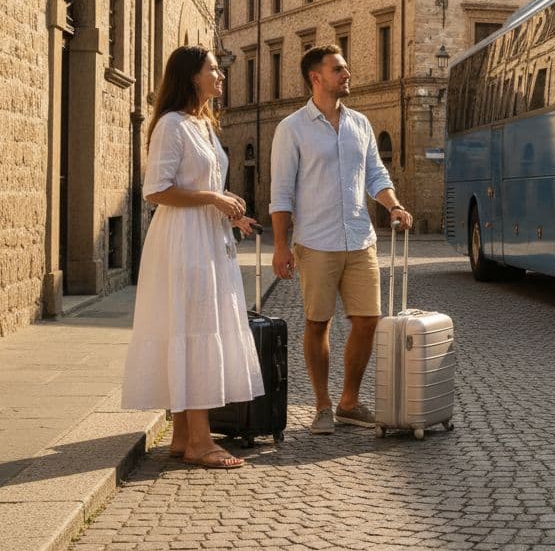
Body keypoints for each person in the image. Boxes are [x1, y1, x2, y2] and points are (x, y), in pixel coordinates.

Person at [121, 45, 263, 470]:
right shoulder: (171, 125)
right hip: (183, 242)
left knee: (198, 326)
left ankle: (184, 437)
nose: (221, 76)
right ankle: (201, 442)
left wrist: (230, 213)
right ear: (191, 77)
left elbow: (205, 186)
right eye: (213, 70)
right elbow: (156, 190)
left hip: (208, 239)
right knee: (196, 328)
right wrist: (213, 198)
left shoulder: (203, 125)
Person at [269, 44, 413, 435]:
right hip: (315, 241)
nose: (347, 74)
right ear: (316, 77)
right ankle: (321, 405)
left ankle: (349, 401)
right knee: (318, 323)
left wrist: (394, 205)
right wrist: (282, 245)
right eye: (338, 69)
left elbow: (376, 176)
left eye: (346, 68)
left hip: (360, 238)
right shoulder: (292, 129)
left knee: (368, 321)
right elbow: (281, 194)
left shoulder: (360, 125)